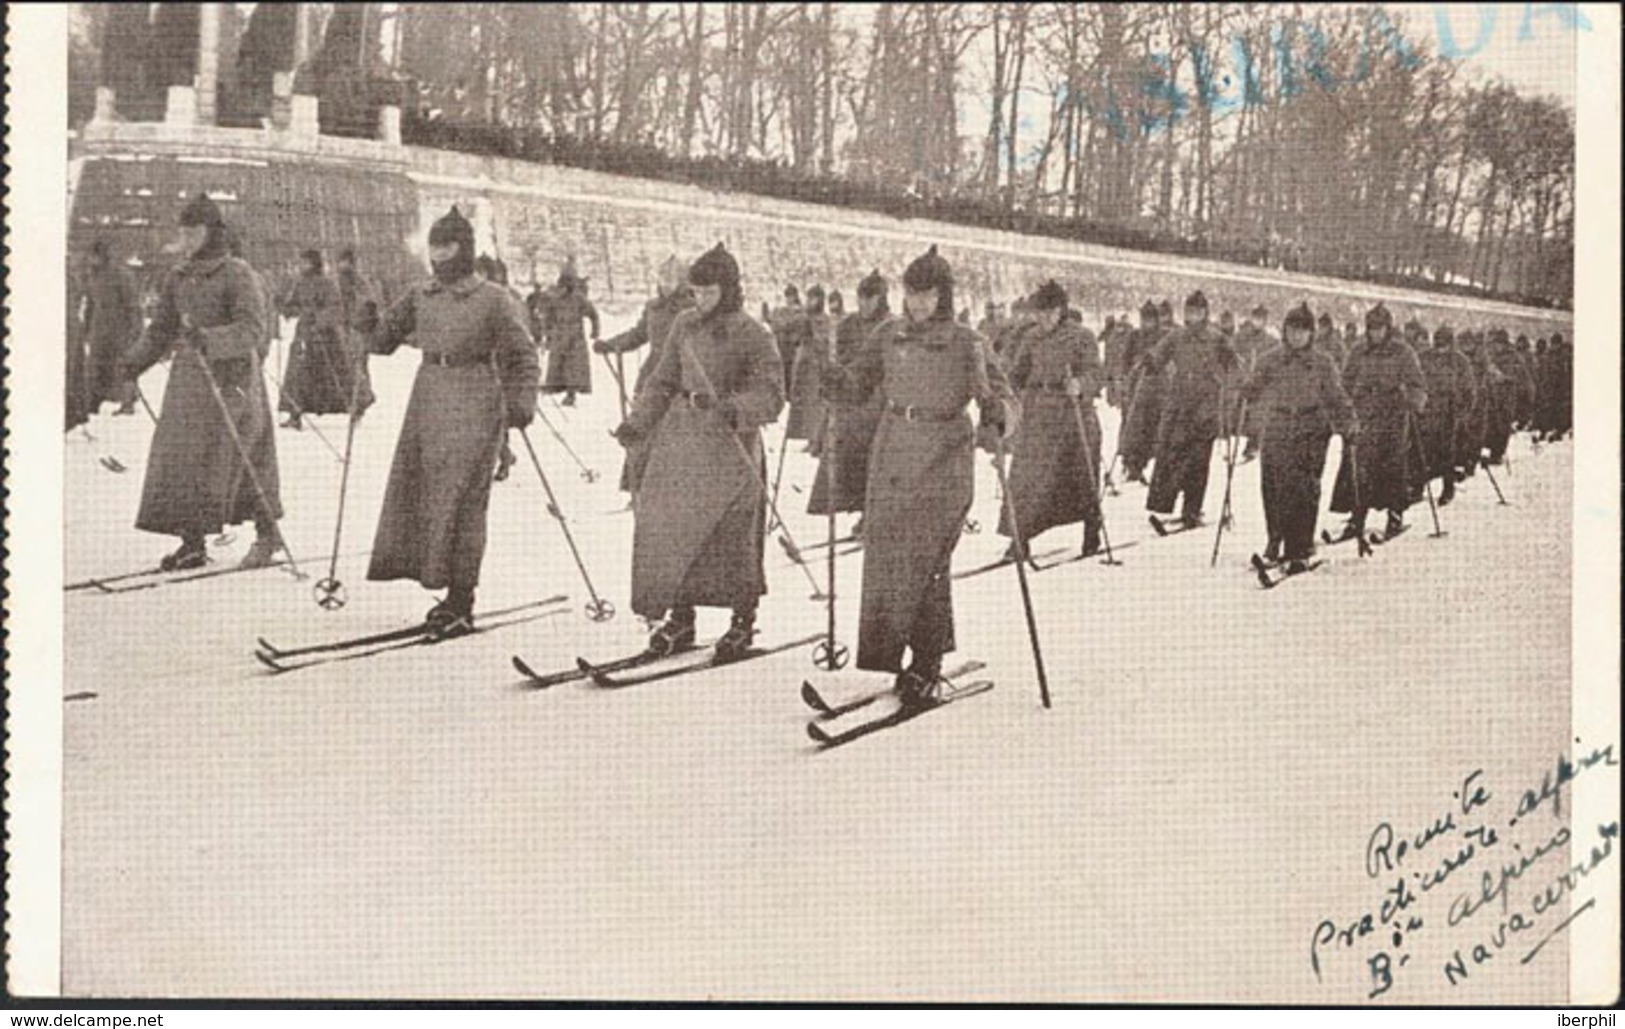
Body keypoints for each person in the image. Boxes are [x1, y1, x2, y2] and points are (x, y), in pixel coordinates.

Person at [818, 244, 1017, 707]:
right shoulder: (890, 334)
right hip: (893, 453)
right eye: (912, 295)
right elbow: (860, 382)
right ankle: (892, 654)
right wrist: (836, 381)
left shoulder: (968, 342)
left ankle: (926, 662)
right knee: (887, 556)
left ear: (943, 296)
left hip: (944, 457)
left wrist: (998, 411)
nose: (918, 305)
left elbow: (1007, 398)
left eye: (927, 296)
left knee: (926, 561)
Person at [365, 206, 540, 637]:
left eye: (448, 246)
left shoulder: (494, 299)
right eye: (434, 247)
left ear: (465, 249)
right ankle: (437, 582)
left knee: (463, 501)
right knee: (423, 495)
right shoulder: (420, 295)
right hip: (428, 401)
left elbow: (523, 356)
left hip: (477, 401)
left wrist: (520, 403)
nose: (439, 256)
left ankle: (462, 598)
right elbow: (383, 340)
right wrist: (367, 323)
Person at [611, 243, 786, 661]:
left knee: (732, 534)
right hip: (682, 438)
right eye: (696, 291)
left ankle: (742, 621)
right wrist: (639, 421)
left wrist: (734, 408)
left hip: (730, 445)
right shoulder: (683, 325)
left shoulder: (753, 333)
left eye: (709, 292)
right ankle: (680, 617)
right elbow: (662, 379)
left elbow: (771, 393)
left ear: (728, 290)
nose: (700, 300)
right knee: (672, 527)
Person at [120, 193, 283, 571]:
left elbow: (253, 330)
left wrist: (211, 339)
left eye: (194, 232)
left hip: (233, 382)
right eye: (184, 232)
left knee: (242, 458)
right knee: (183, 460)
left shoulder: (239, 274)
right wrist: (134, 362)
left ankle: (267, 533)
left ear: (212, 232)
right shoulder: (178, 276)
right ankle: (191, 541)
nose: (188, 239)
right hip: (189, 384)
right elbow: (162, 329)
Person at [1239, 303, 1356, 569]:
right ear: (1285, 331)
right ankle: (1275, 539)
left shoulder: (1322, 363)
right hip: (1278, 424)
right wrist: (1246, 390)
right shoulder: (1271, 358)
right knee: (1273, 486)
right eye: (1292, 330)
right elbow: (1255, 384)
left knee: (1303, 489)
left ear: (1311, 334)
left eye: (1302, 331)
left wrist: (1347, 421)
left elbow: (1336, 396)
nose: (1296, 336)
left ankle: (1300, 546)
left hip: (1312, 427)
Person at [997, 279, 1105, 559]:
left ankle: (1092, 532)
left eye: (1050, 311)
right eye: (1040, 312)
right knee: (1025, 479)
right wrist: (1001, 393)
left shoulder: (1082, 337)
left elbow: (1097, 373)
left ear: (1062, 310)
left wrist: (1081, 384)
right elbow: (1017, 374)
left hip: (1073, 418)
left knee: (1081, 478)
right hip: (1038, 418)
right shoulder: (1031, 337)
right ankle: (1019, 539)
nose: (1043, 317)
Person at [595, 254, 696, 496]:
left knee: (671, 434)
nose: (666, 284)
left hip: (681, 376)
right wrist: (611, 345)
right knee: (642, 428)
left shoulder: (691, 310)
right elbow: (639, 334)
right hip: (653, 373)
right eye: (662, 278)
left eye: (672, 279)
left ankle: (671, 490)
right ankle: (638, 487)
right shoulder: (653, 307)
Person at [1142, 290, 1244, 529]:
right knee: (1172, 455)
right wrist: (1151, 361)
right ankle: (1166, 502)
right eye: (1189, 311)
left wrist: (1232, 373)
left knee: (1198, 462)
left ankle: (1192, 509)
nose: (1193, 315)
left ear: (1205, 313)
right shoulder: (1176, 336)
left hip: (1205, 408)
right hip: (1179, 406)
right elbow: (1159, 356)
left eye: (1198, 311)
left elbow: (1236, 366)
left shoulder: (1216, 338)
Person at [1328, 304, 1428, 540]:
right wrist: (1343, 408)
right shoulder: (1358, 350)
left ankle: (1395, 515)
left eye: (1379, 328)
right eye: (1371, 328)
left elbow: (1417, 383)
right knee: (1358, 467)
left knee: (1392, 467)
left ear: (1388, 328)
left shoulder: (1403, 352)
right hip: (1363, 417)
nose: (1375, 333)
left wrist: (1413, 400)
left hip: (1392, 417)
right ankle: (1356, 517)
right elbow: (1345, 381)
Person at [808, 268, 891, 537]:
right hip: (850, 405)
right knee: (849, 463)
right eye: (861, 298)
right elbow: (833, 361)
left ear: (882, 299)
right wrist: (829, 380)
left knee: (876, 462)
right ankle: (859, 512)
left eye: (871, 298)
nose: (864, 304)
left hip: (878, 406)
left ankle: (872, 516)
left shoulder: (891, 326)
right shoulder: (847, 325)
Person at [276, 249, 352, 430]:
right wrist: (284, 306)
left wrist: (318, 320)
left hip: (324, 338)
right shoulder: (300, 283)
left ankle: (355, 405)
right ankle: (295, 413)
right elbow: (294, 304)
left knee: (334, 375)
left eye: (306, 262)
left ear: (314, 264)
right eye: (302, 262)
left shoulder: (327, 283)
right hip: (303, 334)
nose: (303, 266)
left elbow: (335, 308)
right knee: (297, 373)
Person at [71, 239, 142, 427]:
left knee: (123, 367)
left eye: (94, 257)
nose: (91, 261)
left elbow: (133, 306)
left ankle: (127, 403)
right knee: (95, 367)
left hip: (120, 330)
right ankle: (92, 403)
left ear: (102, 256)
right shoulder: (92, 275)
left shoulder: (122, 275)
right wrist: (85, 330)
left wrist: (135, 331)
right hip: (99, 329)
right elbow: (90, 305)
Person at [1414, 324, 1476, 507]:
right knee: (1421, 451)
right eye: (1438, 343)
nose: (1440, 348)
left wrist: (1463, 413)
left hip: (1449, 413)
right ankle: (1417, 488)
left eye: (1444, 344)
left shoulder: (1460, 361)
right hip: (1427, 411)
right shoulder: (1424, 357)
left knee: (1446, 453)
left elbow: (1469, 390)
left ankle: (1448, 488)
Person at [1115, 299, 1167, 483]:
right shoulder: (1134, 336)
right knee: (1131, 426)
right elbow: (1124, 360)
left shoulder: (1163, 337)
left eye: (1151, 320)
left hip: (1156, 390)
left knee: (1150, 428)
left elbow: (1167, 361)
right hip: (1135, 388)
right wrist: (1123, 378)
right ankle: (1130, 464)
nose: (1147, 323)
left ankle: (1143, 463)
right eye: (1145, 320)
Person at [540, 258, 599, 406]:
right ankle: (554, 388)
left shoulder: (579, 299)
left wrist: (595, 330)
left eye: (569, 283)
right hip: (559, 335)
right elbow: (548, 317)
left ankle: (571, 394)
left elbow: (593, 314)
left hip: (575, 337)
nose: (565, 287)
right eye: (563, 283)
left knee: (573, 366)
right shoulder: (555, 299)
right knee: (558, 364)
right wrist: (547, 335)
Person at [785, 285, 832, 451]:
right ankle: (812, 438)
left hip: (816, 365)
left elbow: (823, 340)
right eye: (809, 298)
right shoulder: (806, 316)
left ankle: (817, 440)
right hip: (804, 363)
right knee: (807, 404)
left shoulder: (822, 319)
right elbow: (793, 334)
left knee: (817, 404)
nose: (810, 302)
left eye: (814, 298)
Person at [1232, 304, 1277, 462]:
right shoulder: (1241, 337)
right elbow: (1233, 353)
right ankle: (1231, 439)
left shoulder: (1271, 341)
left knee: (1257, 415)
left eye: (1261, 318)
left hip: (1259, 383)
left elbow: (1273, 362)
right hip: (1242, 379)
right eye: (1255, 317)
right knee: (1236, 409)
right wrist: (1240, 364)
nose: (1257, 321)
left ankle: (1253, 445)